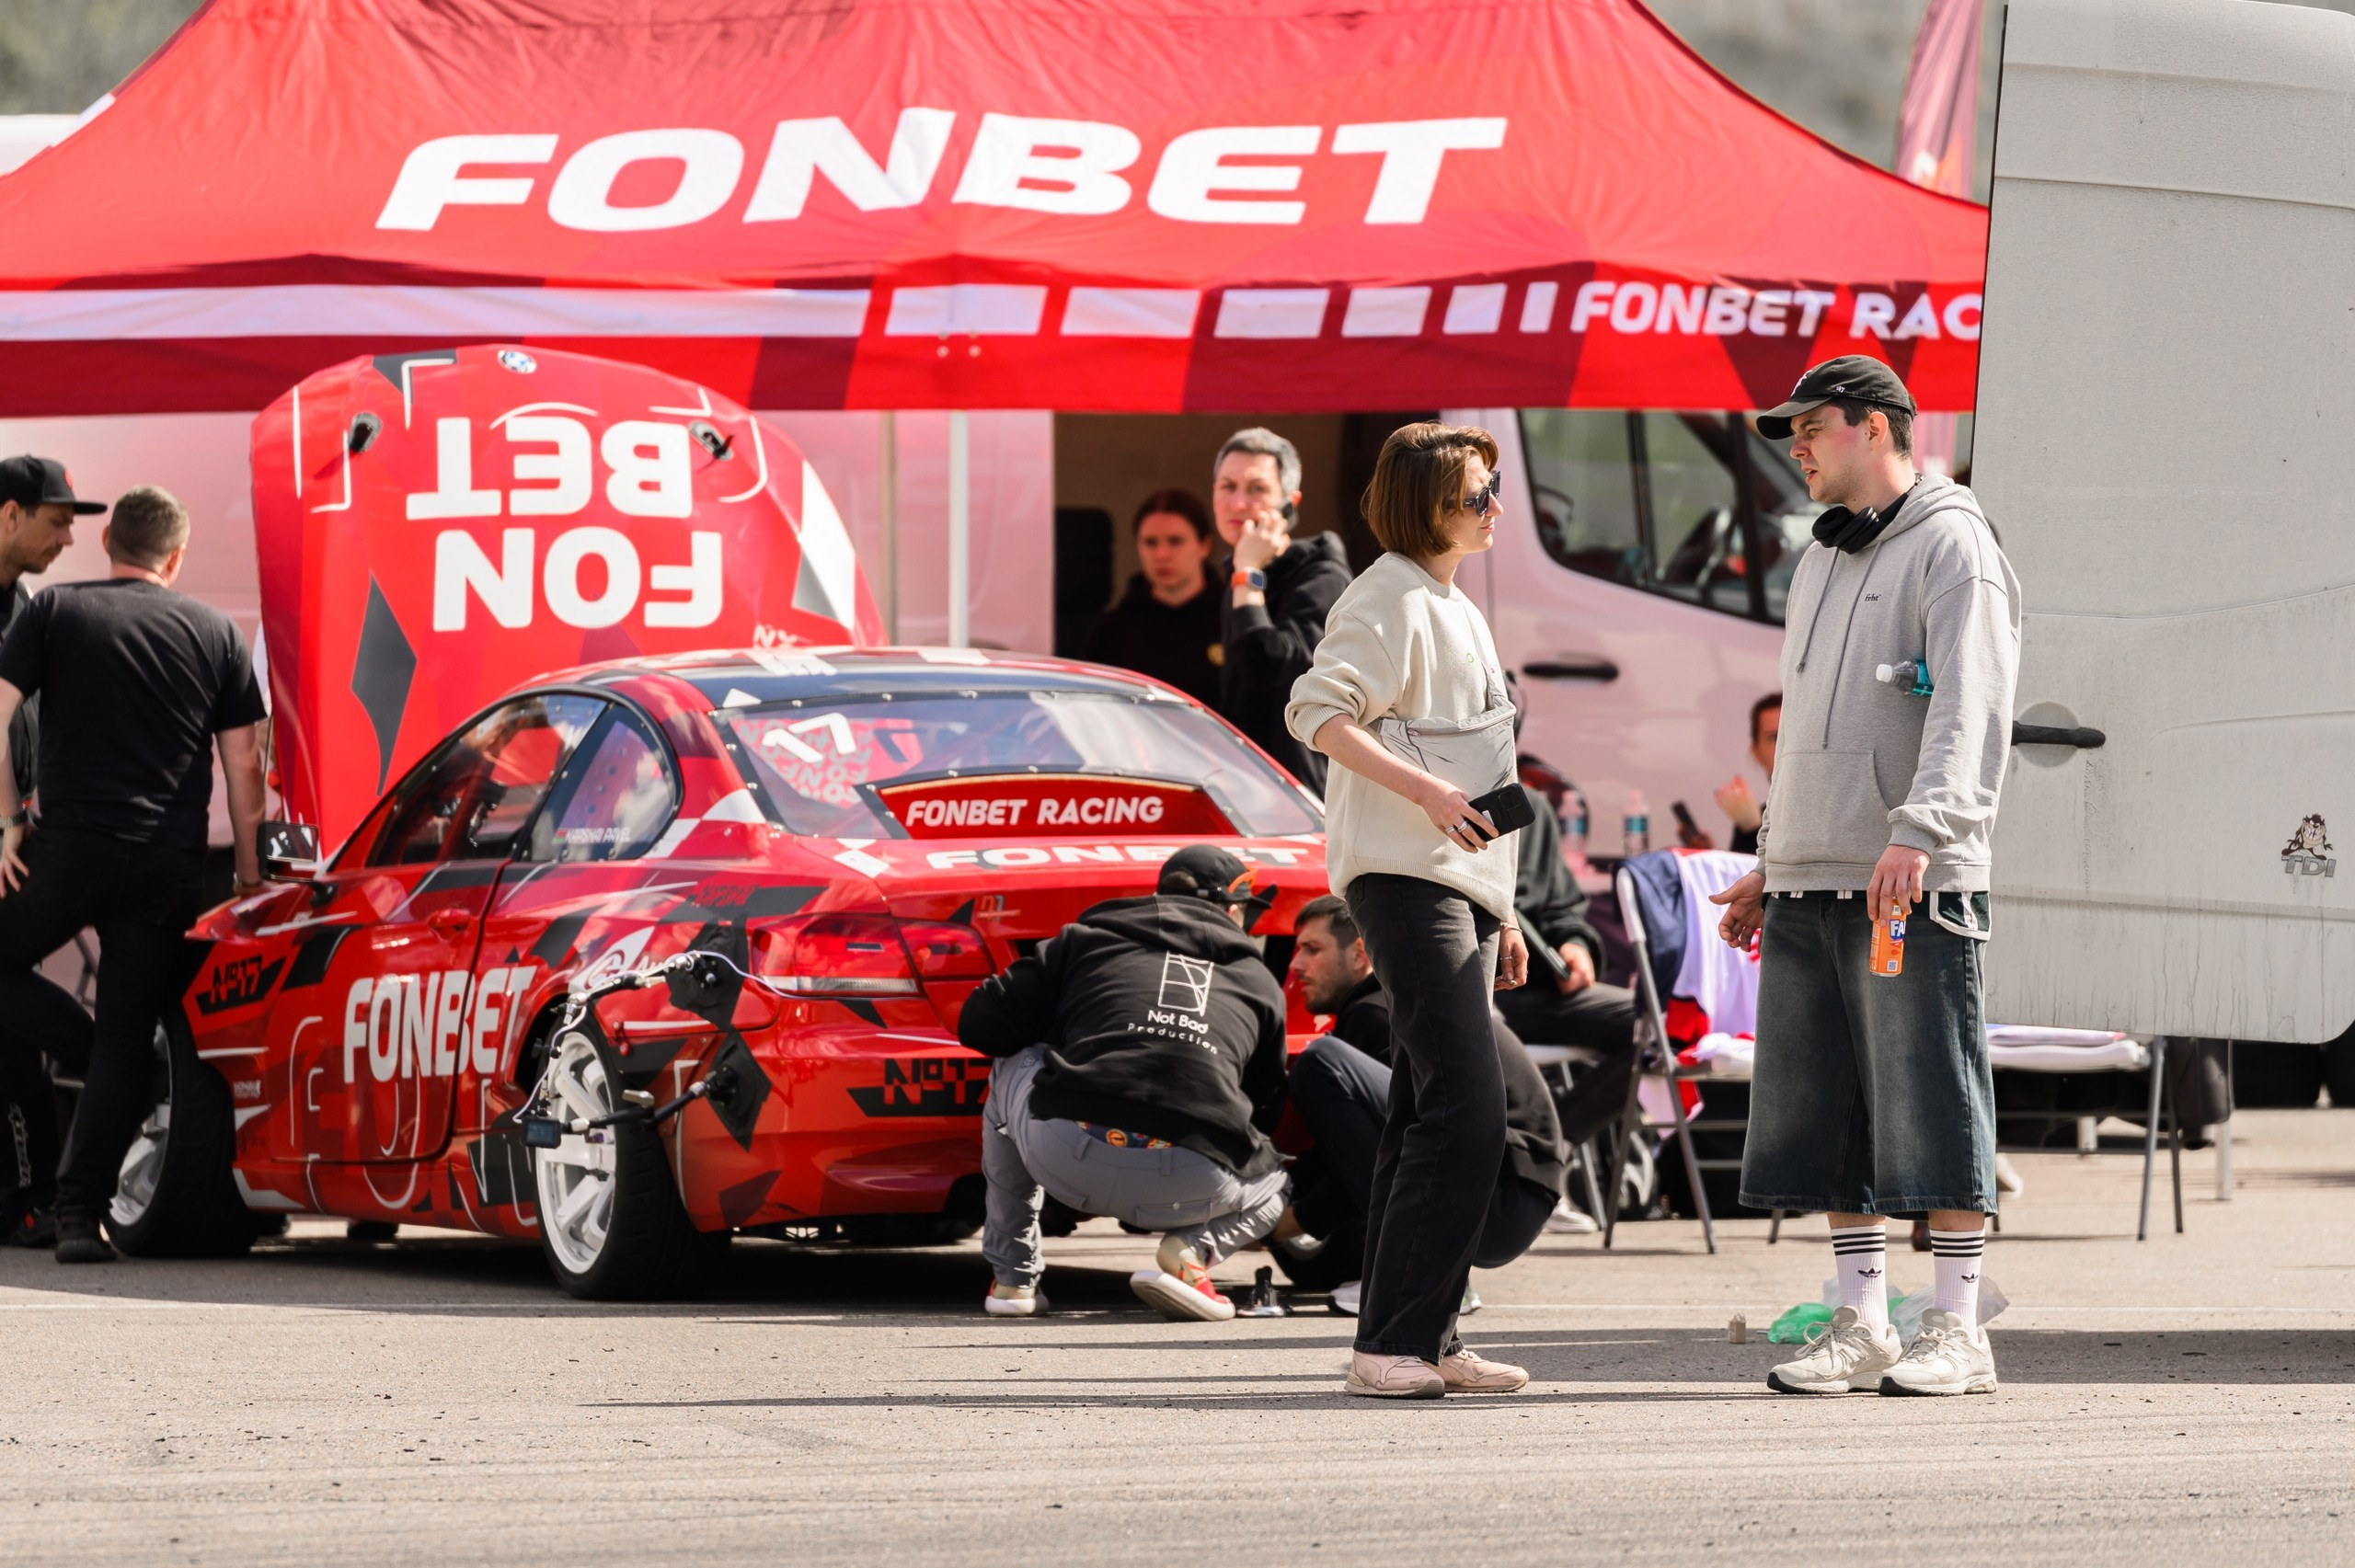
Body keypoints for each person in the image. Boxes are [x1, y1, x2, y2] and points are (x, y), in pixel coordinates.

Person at [1709, 357, 2019, 1397]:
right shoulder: (1821, 557)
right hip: (1813, 868)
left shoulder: (1950, 541)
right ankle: (1862, 1321)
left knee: (1930, 1095)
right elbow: (1803, 729)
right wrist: (1770, 859)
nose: (1792, 447)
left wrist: (1921, 831)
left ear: (1876, 426)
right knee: (1825, 1108)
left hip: (1908, 873)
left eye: (1809, 428)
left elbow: (1968, 706)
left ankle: (1960, 1330)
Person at [1286, 420, 1532, 1400]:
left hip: (1451, 884)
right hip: (1405, 879)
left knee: (1428, 1112)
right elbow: (1315, 708)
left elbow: (1482, 768)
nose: (1495, 508)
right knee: (1464, 1111)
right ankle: (1394, 1340)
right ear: (1426, 502)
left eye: (1492, 489)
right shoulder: (1388, 592)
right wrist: (1423, 795)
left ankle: (1415, 1336)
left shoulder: (1444, 601)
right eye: (1478, 494)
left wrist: (1503, 908)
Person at [0, 485, 269, 1265]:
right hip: (165, 862)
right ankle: (80, 1218)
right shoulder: (216, 630)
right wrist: (250, 870)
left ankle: (75, 1044)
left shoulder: (54, 610)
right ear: (176, 557)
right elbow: (242, 763)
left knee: (75, 1016)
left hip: (69, 850)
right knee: (127, 1039)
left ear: (107, 535)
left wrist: (8, 818)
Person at [959, 845, 1290, 1322]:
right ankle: (1190, 1252)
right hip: (1192, 1179)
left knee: (1012, 1061)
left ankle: (1014, 1281)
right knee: (1277, 1184)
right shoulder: (1260, 981)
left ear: (1159, 895)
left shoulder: (1087, 938)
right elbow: (1266, 1108)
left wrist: (1066, 1026)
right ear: (1235, 911)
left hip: (1066, 1154)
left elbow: (980, 1026)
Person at [1282, 895, 1567, 1312]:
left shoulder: (1375, 1013)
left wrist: (1285, 1222)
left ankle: (1428, 1279)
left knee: (1323, 1064)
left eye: (1312, 948)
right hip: (1515, 1190)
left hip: (1499, 1190)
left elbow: (1390, 1141)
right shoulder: (1392, 1002)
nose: (1296, 965)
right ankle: (1425, 1277)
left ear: (1361, 953)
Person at [0, 457, 103, 1247]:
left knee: (10, 1028)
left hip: (18, 842)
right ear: (10, 516)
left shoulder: (24, 604)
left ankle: (28, 1197)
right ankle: (100, 1055)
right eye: (57, 519)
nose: (70, 537)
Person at [1496, 773, 1639, 1160]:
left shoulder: (1528, 804)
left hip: (1538, 987)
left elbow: (1561, 905)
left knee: (1655, 1025)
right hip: (1471, 987)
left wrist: (1574, 943)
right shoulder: (1424, 796)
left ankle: (1541, 1149)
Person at [1212, 428, 1350, 793]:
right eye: (1227, 486)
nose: (1238, 503)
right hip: (1245, 789)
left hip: (1301, 797)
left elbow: (1267, 669)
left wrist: (1248, 577)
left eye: (1256, 489)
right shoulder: (1241, 574)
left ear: (1290, 502)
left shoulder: (1322, 574)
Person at [1077, 488, 1224, 706]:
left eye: (1175, 541)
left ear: (1205, 546)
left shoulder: (1232, 620)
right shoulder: (1112, 630)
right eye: (1150, 542)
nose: (1161, 554)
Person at [1715, 692, 1782, 855]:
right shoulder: (1753, 818)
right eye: (1774, 737)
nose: (1784, 745)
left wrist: (1754, 830)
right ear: (1755, 752)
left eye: (1793, 735)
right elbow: (1743, 877)